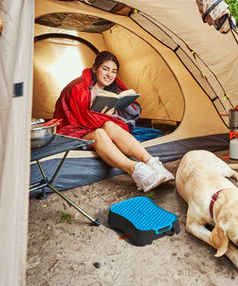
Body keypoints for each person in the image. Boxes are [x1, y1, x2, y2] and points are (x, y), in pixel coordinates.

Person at [53, 51, 174, 192]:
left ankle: (152, 162)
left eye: (114, 71)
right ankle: (136, 170)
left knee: (109, 124)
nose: (109, 75)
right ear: (94, 68)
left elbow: (118, 115)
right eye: (105, 69)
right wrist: (102, 116)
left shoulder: (111, 89)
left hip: (94, 126)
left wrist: (112, 114)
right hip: (74, 131)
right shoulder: (79, 88)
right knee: (100, 134)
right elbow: (80, 119)